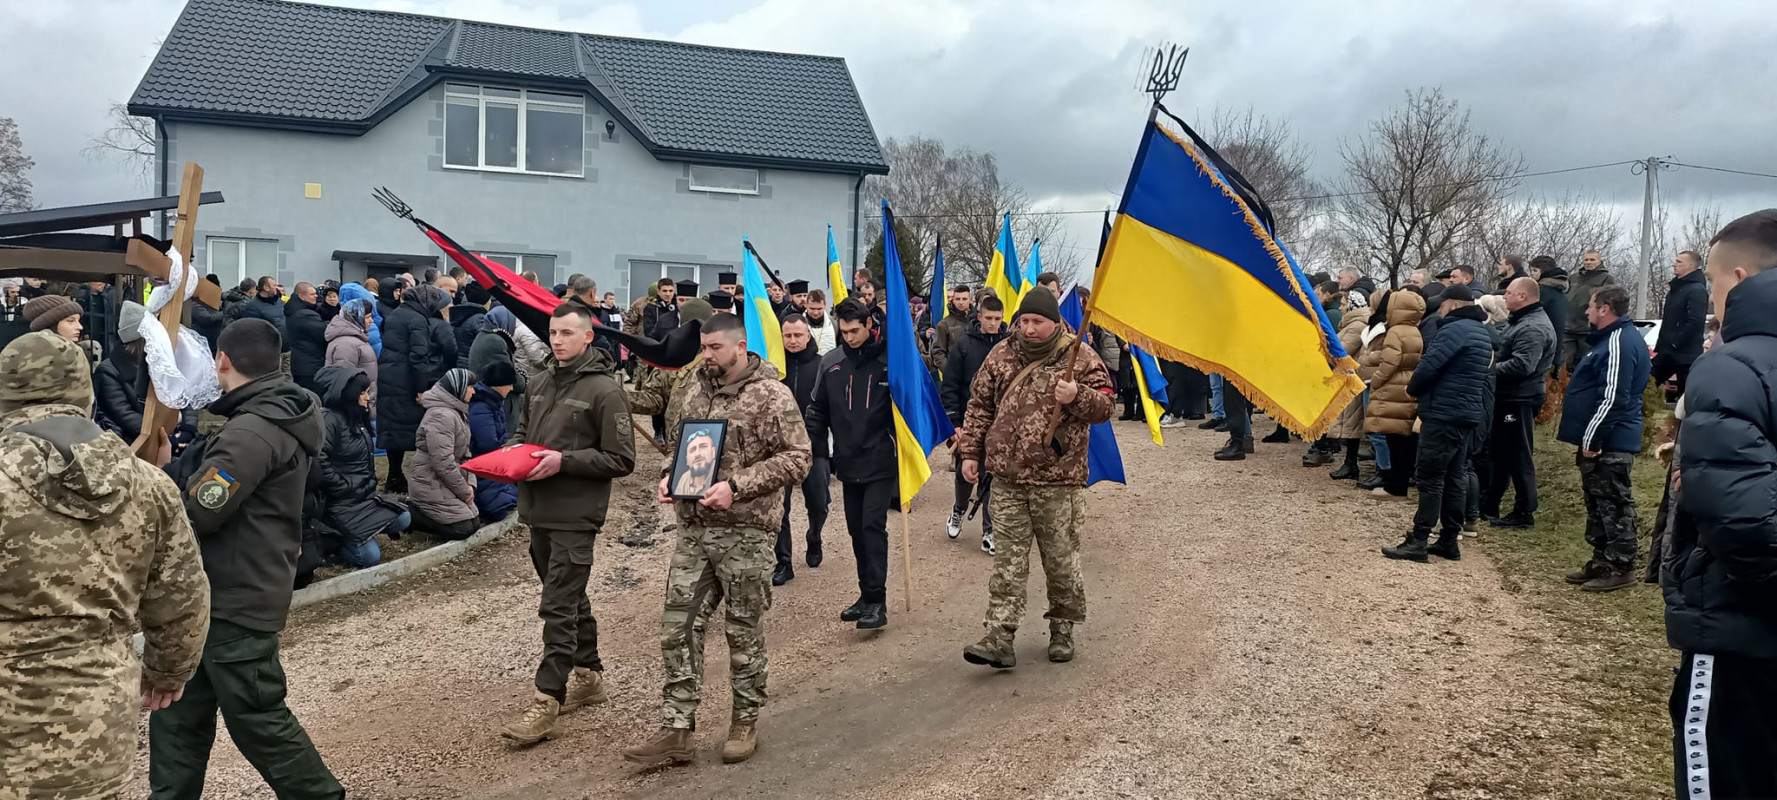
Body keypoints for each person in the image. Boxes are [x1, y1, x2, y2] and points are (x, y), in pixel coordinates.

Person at [0, 331, 210, 800]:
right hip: (99, 720)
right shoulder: (149, 484)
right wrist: (168, 672)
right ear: (85, 392)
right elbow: (181, 595)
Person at [151, 318, 342, 798]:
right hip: (215, 593)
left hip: (234, 599)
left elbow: (202, 511)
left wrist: (155, 489)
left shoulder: (252, 431)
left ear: (223, 361)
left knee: (258, 718)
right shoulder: (267, 417)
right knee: (176, 712)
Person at [622, 312, 809, 767]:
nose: (706, 356)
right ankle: (677, 729)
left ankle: (744, 720)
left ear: (740, 347)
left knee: (742, 631)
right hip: (694, 530)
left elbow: (799, 458)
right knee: (677, 627)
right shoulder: (693, 388)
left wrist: (738, 486)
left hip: (746, 533)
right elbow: (680, 445)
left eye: (714, 349)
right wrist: (669, 476)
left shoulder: (771, 395)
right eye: (703, 347)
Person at [1664, 209, 1777, 799]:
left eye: (1709, 284)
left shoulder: (1731, 366)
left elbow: (1743, 520)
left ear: (1736, 277)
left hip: (1742, 629)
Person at [956, 288, 1112, 669]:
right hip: (1008, 480)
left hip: (1058, 482)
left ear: (1054, 322)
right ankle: (999, 635)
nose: (1028, 329)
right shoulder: (1002, 355)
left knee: (1060, 561)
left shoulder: (1079, 356)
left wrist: (1077, 395)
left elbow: (1106, 405)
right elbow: (979, 407)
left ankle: (1062, 628)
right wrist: (971, 453)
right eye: (1023, 321)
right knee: (1007, 562)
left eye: (1036, 322)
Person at [502, 302, 636, 744]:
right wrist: (512, 455)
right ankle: (590, 674)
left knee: (557, 605)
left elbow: (621, 459)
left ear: (587, 337)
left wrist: (564, 461)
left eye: (565, 333)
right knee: (568, 596)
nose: (556, 339)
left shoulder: (605, 391)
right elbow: (524, 434)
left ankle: (547, 698)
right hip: (538, 510)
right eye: (552, 332)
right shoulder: (538, 382)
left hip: (577, 515)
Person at [1382, 285, 1493, 562]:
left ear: (1453, 305)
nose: (1439, 309)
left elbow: (1428, 366)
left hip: (1443, 413)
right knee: (1454, 477)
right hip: (1465, 414)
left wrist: (1413, 390)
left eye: (1442, 305)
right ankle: (1448, 540)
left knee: (1430, 478)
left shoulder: (1453, 330)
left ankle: (1419, 540)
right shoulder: (1480, 330)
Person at [803, 298, 895, 629]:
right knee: (856, 529)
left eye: (855, 331)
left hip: (883, 460)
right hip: (847, 461)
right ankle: (865, 593)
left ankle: (877, 601)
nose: (850, 337)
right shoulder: (831, 363)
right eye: (843, 332)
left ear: (869, 326)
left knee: (872, 527)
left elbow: (911, 408)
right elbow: (817, 411)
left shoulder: (889, 361)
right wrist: (812, 449)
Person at [1557, 285, 1650, 592]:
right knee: (1598, 504)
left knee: (1614, 505)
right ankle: (1601, 560)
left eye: (1591, 305)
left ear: (1605, 308)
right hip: (1601, 439)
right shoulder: (1608, 340)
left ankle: (1621, 566)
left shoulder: (1620, 342)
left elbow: (1613, 397)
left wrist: (1593, 439)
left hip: (1611, 441)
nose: (1586, 311)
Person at [313, 365, 408, 568]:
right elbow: (318, 460)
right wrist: (341, 486)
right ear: (349, 395)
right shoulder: (329, 420)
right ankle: (337, 543)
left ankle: (361, 533)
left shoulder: (357, 418)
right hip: (339, 504)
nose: (367, 397)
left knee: (405, 517)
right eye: (363, 392)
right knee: (369, 557)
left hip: (362, 497)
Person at [1484, 278, 1557, 528]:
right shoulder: (1521, 321)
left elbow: (1523, 365)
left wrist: (1488, 368)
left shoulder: (1533, 327)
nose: (1504, 297)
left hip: (1520, 399)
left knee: (1518, 454)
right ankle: (1489, 504)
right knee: (1501, 454)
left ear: (1524, 296)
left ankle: (1525, 511)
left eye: (1509, 292)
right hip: (1509, 397)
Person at [942, 294, 1009, 553]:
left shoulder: (1009, 345)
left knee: (991, 475)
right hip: (969, 420)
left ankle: (990, 529)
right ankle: (959, 508)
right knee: (965, 471)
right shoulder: (964, 344)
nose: (993, 323)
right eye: (988, 318)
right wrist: (954, 423)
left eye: (997, 318)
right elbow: (950, 385)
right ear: (979, 316)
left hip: (999, 423)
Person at [377, 284, 454, 494]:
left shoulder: (396, 314)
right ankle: (419, 479)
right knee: (416, 428)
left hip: (387, 375)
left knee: (393, 427)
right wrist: (421, 389)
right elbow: (419, 356)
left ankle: (394, 475)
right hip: (406, 379)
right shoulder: (418, 320)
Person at [92, 300, 198, 446]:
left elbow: (184, 398)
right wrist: (166, 437)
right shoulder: (108, 371)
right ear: (140, 340)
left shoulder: (159, 362)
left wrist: (188, 430)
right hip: (137, 443)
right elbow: (123, 414)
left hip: (170, 434)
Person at [774, 314, 828, 586]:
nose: (793, 340)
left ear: (808, 336)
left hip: (813, 448)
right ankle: (783, 561)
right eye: (788, 335)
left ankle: (814, 536)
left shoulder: (822, 367)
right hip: (778, 451)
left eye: (798, 335)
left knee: (819, 503)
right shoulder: (773, 367)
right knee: (778, 508)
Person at [1365, 290, 1426, 498]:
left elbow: (1390, 362)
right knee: (1404, 438)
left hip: (1392, 388)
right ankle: (1401, 481)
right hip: (1407, 385)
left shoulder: (1395, 331)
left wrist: (1376, 381)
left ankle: (1395, 486)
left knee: (1393, 438)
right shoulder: (1414, 330)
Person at [408, 369, 480, 541]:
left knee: (474, 523)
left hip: (444, 481)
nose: (474, 391)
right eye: (470, 387)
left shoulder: (457, 412)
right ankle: (411, 513)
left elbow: (466, 454)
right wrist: (464, 491)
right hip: (429, 481)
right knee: (463, 528)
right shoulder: (441, 416)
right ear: (459, 388)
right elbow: (443, 462)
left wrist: (470, 484)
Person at [1326, 290, 1373, 480]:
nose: (1340, 306)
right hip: (1348, 379)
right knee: (1350, 424)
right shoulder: (1352, 323)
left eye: (1344, 303)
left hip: (1352, 379)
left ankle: (1351, 464)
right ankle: (1349, 463)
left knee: (1352, 425)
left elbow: (1343, 350)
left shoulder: (1356, 325)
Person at [466, 362, 518, 522]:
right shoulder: (481, 407)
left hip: (493, 461)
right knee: (498, 511)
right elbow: (487, 445)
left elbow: (500, 435)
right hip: (481, 466)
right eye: (509, 384)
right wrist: (508, 448)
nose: (511, 389)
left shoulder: (492, 401)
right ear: (498, 384)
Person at [1652, 250, 1708, 397]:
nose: (1674, 264)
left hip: (1685, 355)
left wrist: (1676, 342)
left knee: (1686, 398)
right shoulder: (1675, 289)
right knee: (1646, 383)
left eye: (1679, 262)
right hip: (1667, 353)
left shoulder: (1697, 290)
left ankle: (1683, 420)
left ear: (1690, 266)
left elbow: (1696, 321)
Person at [1562, 250, 1617, 370]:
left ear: (1600, 261)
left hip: (1588, 329)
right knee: (1563, 364)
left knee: (1586, 364)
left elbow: (1610, 302)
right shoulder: (1574, 277)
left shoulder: (1606, 279)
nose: (1589, 262)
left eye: (1592, 260)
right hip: (1568, 327)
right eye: (1586, 259)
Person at [323, 299, 378, 416]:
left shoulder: (356, 338)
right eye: (367, 317)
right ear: (356, 318)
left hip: (363, 406)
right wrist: (356, 410)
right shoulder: (346, 344)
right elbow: (344, 382)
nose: (371, 321)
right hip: (356, 410)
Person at [283, 282, 326, 392]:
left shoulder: (296, 310)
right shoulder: (304, 315)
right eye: (312, 294)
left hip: (303, 364)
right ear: (301, 296)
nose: (316, 296)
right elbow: (324, 334)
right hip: (310, 366)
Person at [1529, 255, 1570, 341]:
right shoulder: (1561, 291)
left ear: (1544, 272)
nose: (1531, 273)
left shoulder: (1543, 291)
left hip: (1544, 338)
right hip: (1557, 338)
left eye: (1535, 270)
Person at [450, 283, 491, 367]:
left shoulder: (460, 313)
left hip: (459, 363)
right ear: (485, 301)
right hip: (473, 366)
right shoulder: (480, 319)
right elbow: (487, 345)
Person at [237, 276, 287, 342]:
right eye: (274, 285)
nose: (276, 288)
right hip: (268, 348)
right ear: (266, 288)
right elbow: (249, 331)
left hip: (287, 347)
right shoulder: (253, 307)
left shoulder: (280, 302)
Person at [77, 280, 117, 354]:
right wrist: (85, 331)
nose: (100, 283)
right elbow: (81, 316)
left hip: (108, 332)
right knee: (94, 355)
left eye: (102, 281)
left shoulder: (109, 294)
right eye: (96, 281)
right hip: (92, 333)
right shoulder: (84, 296)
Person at [192, 274, 226, 352]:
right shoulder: (196, 304)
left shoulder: (217, 303)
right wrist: (224, 313)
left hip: (214, 341)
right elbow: (207, 319)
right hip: (202, 341)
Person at [802, 288, 836, 353]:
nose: (815, 312)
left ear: (825, 305)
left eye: (819, 309)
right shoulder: (799, 324)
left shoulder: (834, 324)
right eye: (812, 308)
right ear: (806, 305)